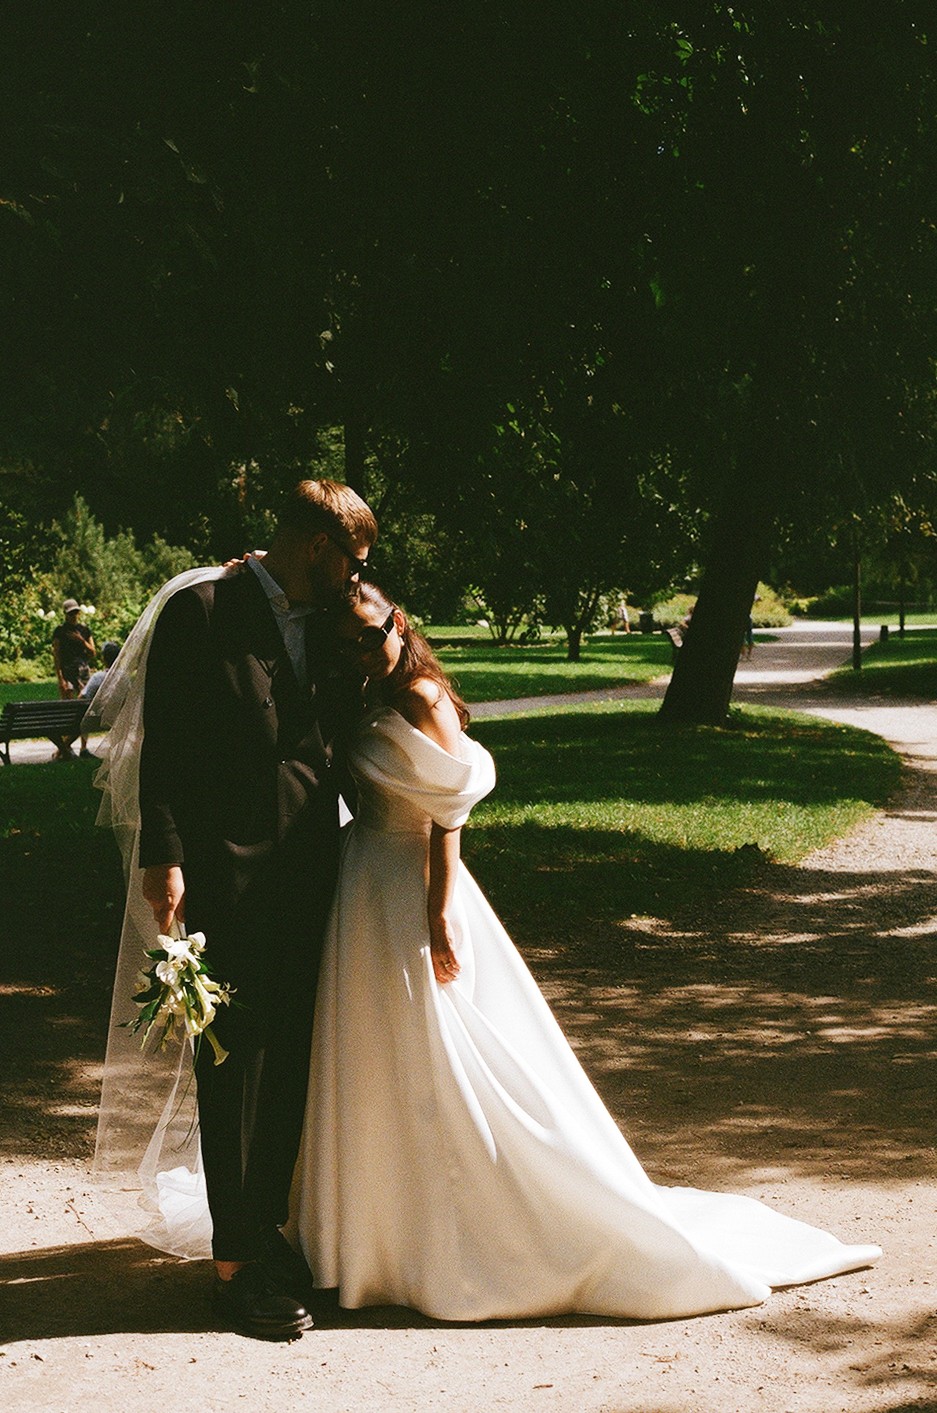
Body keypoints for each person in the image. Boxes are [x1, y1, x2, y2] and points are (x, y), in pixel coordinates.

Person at [285, 580, 880, 1322]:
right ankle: (369, 1229)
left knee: (440, 1048)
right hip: (362, 884)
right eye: (346, 640)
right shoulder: (363, 691)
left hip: (410, 884)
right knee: (370, 1052)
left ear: (397, 622)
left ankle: (445, 1233)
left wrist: (438, 909)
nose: (362, 649)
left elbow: (449, 809)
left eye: (371, 633)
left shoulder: (422, 697)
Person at [93, 479, 377, 1341]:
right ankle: (232, 1267)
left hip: (310, 862)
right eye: (353, 561)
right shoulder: (203, 609)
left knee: (288, 1050)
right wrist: (164, 857)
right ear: (318, 546)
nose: (357, 577)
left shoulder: (329, 617)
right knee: (231, 1060)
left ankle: (266, 1231)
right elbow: (166, 741)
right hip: (224, 869)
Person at [52, 598, 97, 757]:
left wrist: (81, 641)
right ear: (65, 614)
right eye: (70, 613)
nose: (73, 616)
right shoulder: (60, 632)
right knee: (68, 711)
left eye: (75, 613)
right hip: (67, 672)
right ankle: (66, 747)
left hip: (83, 672)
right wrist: (60, 679)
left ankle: (83, 748)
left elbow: (93, 652)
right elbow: (56, 655)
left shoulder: (84, 630)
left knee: (84, 709)